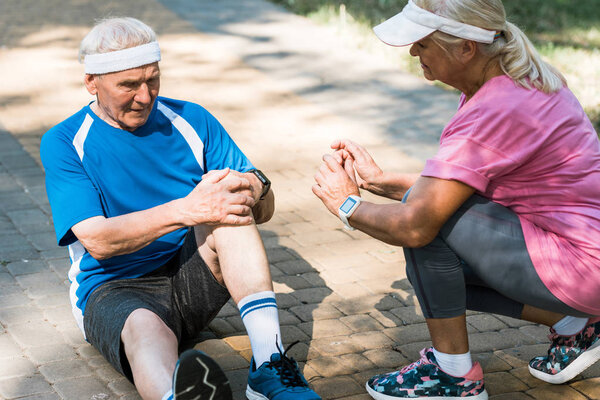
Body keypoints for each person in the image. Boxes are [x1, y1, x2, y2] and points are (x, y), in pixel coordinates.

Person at [312, 0, 600, 399]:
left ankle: (452, 376)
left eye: (423, 43)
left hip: (580, 264)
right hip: (582, 256)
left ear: (466, 48)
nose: (413, 51)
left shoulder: (497, 107)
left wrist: (347, 206)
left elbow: (416, 224)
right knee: (443, 274)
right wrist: (379, 182)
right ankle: (577, 325)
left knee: (428, 233)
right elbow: (457, 187)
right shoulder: (513, 81)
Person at [40, 17, 320, 400]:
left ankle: (269, 366)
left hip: (192, 276)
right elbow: (99, 241)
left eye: (152, 80)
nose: (145, 96)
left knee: (228, 208)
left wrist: (256, 187)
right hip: (114, 288)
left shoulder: (192, 119)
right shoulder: (65, 141)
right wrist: (188, 210)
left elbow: (263, 210)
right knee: (146, 331)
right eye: (128, 85)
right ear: (92, 82)